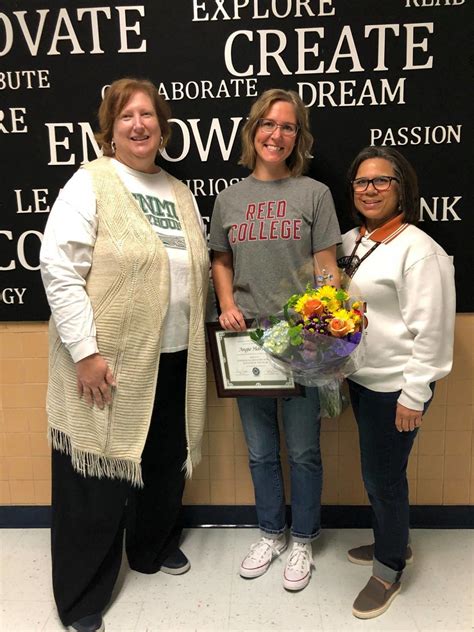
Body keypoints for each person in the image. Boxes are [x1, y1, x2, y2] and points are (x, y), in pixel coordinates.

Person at [40, 77, 209, 632]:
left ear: (163, 127)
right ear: (108, 131)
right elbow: (59, 269)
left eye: (149, 116)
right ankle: (82, 597)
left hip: (172, 355)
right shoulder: (90, 184)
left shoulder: (179, 191)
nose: (140, 125)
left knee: (161, 462)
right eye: (126, 116)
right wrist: (85, 352)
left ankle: (151, 548)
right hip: (107, 361)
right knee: (95, 475)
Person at [209, 89, 341, 592]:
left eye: (287, 126)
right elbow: (221, 260)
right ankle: (271, 532)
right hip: (245, 343)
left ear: (297, 137)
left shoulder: (314, 194)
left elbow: (327, 267)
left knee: (304, 450)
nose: (276, 134)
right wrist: (225, 304)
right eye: (268, 124)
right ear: (253, 131)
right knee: (261, 451)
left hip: (301, 343)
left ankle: (303, 538)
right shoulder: (229, 199)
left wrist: (329, 327)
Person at [338, 146, 455, 619]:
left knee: (383, 478)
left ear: (400, 187)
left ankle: (388, 568)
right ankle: (396, 542)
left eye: (381, 181)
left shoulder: (418, 250)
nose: (369, 190)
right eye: (362, 182)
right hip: (362, 380)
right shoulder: (351, 241)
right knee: (377, 473)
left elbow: (433, 331)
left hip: (398, 388)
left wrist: (415, 394)